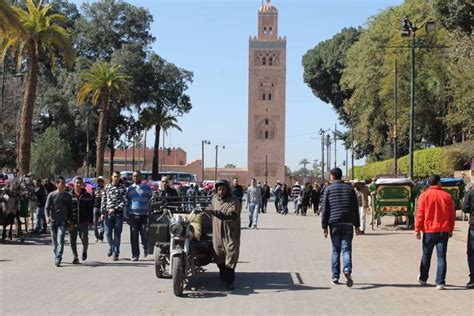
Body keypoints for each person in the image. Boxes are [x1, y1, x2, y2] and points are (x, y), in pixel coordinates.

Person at [321, 168, 360, 287]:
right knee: (347, 249)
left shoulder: (328, 189)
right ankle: (347, 269)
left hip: (334, 223)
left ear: (333, 176)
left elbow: (325, 210)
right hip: (348, 222)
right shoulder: (350, 189)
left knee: (335, 250)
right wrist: (357, 225)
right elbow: (355, 208)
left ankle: (335, 276)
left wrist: (324, 227)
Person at [415, 175, 455, 290]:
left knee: (426, 255)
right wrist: (451, 229)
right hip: (443, 230)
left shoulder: (424, 196)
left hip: (429, 230)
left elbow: (420, 214)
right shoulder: (447, 196)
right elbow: (451, 215)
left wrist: (417, 229)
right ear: (439, 183)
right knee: (441, 257)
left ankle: (423, 278)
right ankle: (440, 282)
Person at [209, 179, 241, 290]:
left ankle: (230, 281)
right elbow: (211, 209)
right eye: (218, 189)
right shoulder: (214, 199)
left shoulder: (234, 201)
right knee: (219, 255)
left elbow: (231, 215)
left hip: (230, 233)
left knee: (231, 255)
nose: (220, 191)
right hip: (217, 232)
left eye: (223, 189)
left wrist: (216, 213)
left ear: (227, 190)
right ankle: (223, 275)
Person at [45, 176, 72, 267]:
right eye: (62, 183)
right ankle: (56, 253)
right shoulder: (51, 195)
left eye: (64, 183)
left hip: (63, 221)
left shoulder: (68, 196)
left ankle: (58, 257)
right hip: (53, 221)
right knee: (54, 241)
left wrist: (71, 221)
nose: (64, 185)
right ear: (57, 184)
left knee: (60, 239)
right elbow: (47, 208)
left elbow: (70, 210)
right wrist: (47, 217)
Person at [101, 171, 127, 261]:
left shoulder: (122, 188)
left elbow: (124, 201)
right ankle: (111, 246)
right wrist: (102, 212)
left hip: (118, 214)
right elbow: (103, 200)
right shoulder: (107, 187)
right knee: (107, 233)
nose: (116, 178)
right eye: (115, 176)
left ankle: (116, 253)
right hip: (108, 214)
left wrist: (115, 209)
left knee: (117, 235)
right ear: (112, 177)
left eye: (118, 177)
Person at [127, 171, 153, 261]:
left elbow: (151, 200)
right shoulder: (130, 189)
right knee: (134, 236)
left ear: (140, 177)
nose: (135, 178)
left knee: (144, 234)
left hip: (144, 215)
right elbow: (127, 202)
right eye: (134, 176)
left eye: (137, 176)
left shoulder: (147, 188)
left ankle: (145, 247)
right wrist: (126, 215)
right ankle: (135, 255)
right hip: (133, 215)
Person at [69, 176, 94, 264]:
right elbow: (67, 209)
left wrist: (91, 221)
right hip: (72, 222)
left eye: (80, 183)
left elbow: (90, 209)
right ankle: (75, 256)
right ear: (73, 184)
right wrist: (68, 221)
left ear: (83, 184)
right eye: (77, 183)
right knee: (72, 240)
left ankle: (84, 251)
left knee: (84, 239)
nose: (78, 184)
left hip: (83, 221)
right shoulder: (69, 195)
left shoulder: (87, 196)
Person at [463, 186, 474, 289]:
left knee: (471, 252)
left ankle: (473, 279)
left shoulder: (470, 193)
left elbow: (465, 208)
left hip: (473, 226)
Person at [92, 176, 105, 242]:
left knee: (103, 223)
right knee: (95, 223)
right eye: (99, 181)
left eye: (101, 181)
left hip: (103, 207)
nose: (100, 182)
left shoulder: (105, 189)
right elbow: (92, 199)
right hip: (95, 207)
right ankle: (96, 236)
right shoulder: (94, 189)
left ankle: (101, 235)